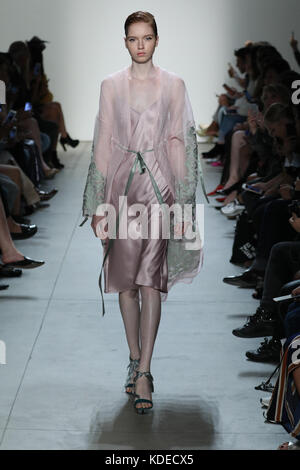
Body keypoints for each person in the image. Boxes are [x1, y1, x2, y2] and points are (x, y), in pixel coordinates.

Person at [80, 11, 204, 414]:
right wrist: (97, 206)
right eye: (133, 39)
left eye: (146, 38)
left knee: (152, 282)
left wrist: (184, 206)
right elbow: (103, 142)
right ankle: (134, 358)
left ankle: (145, 371)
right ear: (125, 41)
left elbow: (180, 145)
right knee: (126, 283)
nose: (140, 45)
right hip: (120, 192)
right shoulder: (111, 86)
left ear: (156, 39)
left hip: (159, 191)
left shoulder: (174, 85)